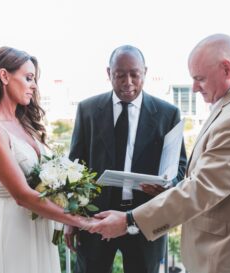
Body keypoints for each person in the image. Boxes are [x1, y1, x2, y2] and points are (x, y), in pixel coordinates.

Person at [89, 34, 230, 273]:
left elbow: (203, 188)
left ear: (227, 68)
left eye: (199, 78)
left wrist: (130, 220)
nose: (194, 87)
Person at [66, 45, 187, 273]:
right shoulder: (87, 109)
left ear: (145, 72)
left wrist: (166, 185)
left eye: (134, 74)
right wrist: (70, 219)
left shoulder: (167, 113)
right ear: (108, 73)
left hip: (144, 218)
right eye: (120, 75)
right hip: (96, 217)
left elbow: (181, 166)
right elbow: (75, 166)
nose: (128, 82)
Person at [0, 47, 95, 273]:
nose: (34, 86)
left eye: (35, 80)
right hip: (13, 228)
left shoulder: (25, 124)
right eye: (28, 78)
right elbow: (21, 195)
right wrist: (80, 221)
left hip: (40, 227)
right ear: (4, 76)